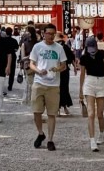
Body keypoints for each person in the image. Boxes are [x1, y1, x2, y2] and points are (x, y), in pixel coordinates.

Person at [29, 23, 67, 152]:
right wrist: (38, 71)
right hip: (39, 82)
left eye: (53, 34)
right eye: (48, 33)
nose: (51, 36)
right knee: (36, 111)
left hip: (53, 85)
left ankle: (50, 139)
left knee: (52, 113)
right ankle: (40, 133)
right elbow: (31, 64)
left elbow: (64, 65)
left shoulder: (59, 48)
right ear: (43, 34)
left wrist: (57, 68)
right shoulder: (37, 47)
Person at [79, 36, 104, 151]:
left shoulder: (101, 53)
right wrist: (80, 91)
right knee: (91, 113)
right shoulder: (84, 57)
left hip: (101, 81)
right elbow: (82, 74)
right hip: (89, 82)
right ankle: (92, 140)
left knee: (100, 113)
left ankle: (101, 134)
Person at [20, 25, 39, 105]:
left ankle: (31, 99)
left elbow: (23, 57)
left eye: (27, 31)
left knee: (33, 83)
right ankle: (30, 99)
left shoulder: (37, 43)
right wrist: (30, 56)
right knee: (31, 83)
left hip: (33, 65)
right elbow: (23, 57)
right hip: (31, 65)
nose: (26, 33)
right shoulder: (25, 44)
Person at [57, 33, 75, 116]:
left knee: (64, 88)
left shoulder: (65, 47)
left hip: (64, 70)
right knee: (58, 89)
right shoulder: (54, 47)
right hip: (57, 70)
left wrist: (75, 67)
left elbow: (71, 57)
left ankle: (63, 106)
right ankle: (58, 108)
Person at [5, 27, 19, 92]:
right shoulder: (14, 41)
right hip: (12, 56)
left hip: (4, 57)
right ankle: (10, 86)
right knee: (12, 72)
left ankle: (1, 84)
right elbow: (16, 49)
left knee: (2, 70)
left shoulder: (3, 40)